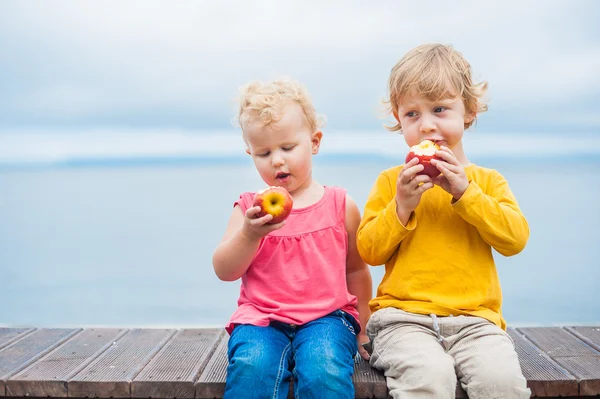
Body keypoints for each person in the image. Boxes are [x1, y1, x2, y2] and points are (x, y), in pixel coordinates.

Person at [356, 43, 531, 398]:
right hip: (402, 320)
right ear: (397, 118)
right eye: (412, 114)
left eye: (439, 109)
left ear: (469, 111)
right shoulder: (392, 183)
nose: (427, 126)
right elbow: (369, 251)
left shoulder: (487, 182)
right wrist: (401, 206)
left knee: (503, 385)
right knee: (429, 379)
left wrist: (467, 195)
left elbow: (515, 239)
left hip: (477, 322)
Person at [212, 78, 372, 399]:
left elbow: (356, 270)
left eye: (287, 147)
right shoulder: (249, 209)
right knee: (252, 365)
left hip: (327, 318)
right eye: (263, 152)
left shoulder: (340, 204)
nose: (277, 160)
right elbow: (225, 270)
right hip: (262, 318)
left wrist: (364, 330)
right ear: (250, 153)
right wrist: (249, 234)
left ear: (314, 142)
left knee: (323, 367)